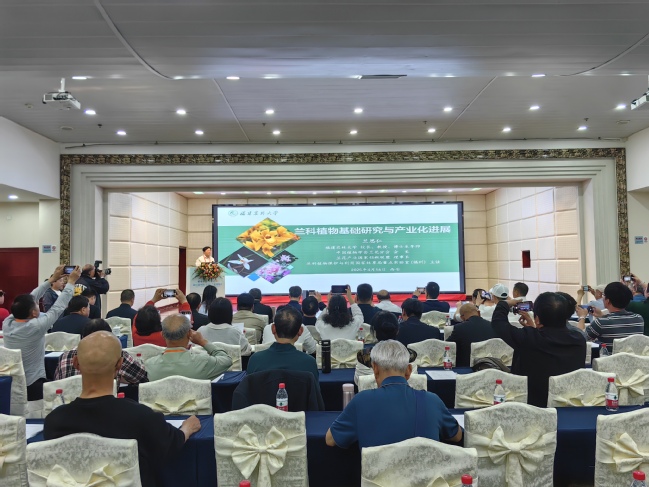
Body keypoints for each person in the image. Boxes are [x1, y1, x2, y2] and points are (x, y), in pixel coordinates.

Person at [43, 331, 201, 487]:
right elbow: (171, 444)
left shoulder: (54, 421)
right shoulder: (140, 417)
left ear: (75, 363)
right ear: (119, 364)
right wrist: (186, 429)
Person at [326, 340, 462, 449]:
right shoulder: (433, 401)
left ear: (375, 369)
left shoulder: (361, 401)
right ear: (409, 370)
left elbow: (330, 440)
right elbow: (457, 436)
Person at [491, 292, 586, 408]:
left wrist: (504, 304)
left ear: (537, 319)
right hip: (569, 406)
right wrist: (534, 330)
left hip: (531, 407)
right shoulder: (579, 339)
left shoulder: (529, 338)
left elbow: (499, 323)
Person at [3, 265, 81, 400]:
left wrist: (52, 279)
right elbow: (58, 307)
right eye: (36, 305)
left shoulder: (8, 322)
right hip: (33, 384)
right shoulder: (36, 326)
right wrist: (71, 283)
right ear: (34, 313)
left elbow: (30, 297)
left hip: (11, 383)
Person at [54, 319, 148, 384]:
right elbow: (142, 377)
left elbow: (56, 385)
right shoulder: (116, 354)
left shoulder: (65, 356)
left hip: (69, 405)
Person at [145, 314, 232, 381]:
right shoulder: (203, 362)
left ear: (162, 335)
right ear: (189, 333)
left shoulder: (149, 366)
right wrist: (202, 341)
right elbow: (227, 360)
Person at [247, 306, 319, 384]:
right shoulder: (309, 362)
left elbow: (249, 389)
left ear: (273, 329)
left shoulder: (255, 360)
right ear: (301, 331)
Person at [575, 282, 644, 347]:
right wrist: (602, 315)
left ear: (608, 301)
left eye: (604, 295)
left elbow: (580, 338)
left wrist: (582, 317)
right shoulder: (639, 319)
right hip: (633, 356)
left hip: (608, 356)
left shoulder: (600, 323)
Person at [355, 311, 400, 385]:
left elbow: (359, 382)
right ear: (397, 331)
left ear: (374, 333)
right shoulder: (408, 355)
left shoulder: (363, 356)